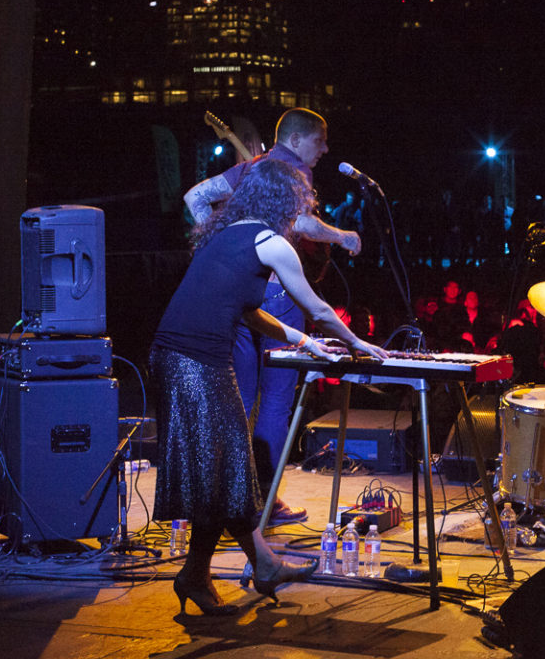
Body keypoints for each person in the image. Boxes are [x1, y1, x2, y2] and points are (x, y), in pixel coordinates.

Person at [152, 158, 388, 616]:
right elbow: (317, 307)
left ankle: (232, 569)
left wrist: (301, 340)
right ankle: (224, 570)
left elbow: (248, 311)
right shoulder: (272, 243)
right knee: (222, 471)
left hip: (180, 358)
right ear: (287, 202)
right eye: (302, 202)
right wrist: (356, 342)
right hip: (194, 363)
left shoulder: (230, 234)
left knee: (227, 470)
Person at [184, 108, 362, 526]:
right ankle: (264, 502)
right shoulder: (295, 170)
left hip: (242, 294)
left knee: (239, 400)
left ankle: (224, 499)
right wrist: (342, 235)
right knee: (277, 401)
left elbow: (194, 198)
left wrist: (223, 247)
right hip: (280, 297)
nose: (325, 149)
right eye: (320, 141)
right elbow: (299, 221)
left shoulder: (250, 167)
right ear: (298, 141)